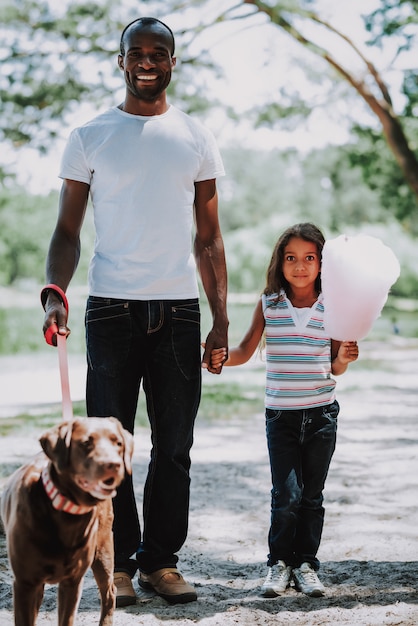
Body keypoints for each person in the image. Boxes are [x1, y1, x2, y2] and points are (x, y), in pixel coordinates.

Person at [41, 17, 229, 607]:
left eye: (159, 52)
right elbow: (67, 231)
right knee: (106, 449)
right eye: (137, 52)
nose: (147, 61)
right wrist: (54, 290)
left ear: (173, 61)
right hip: (110, 312)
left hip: (177, 311)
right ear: (121, 60)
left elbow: (210, 238)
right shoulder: (89, 135)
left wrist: (220, 316)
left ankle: (160, 564)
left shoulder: (196, 136)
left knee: (174, 445)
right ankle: (115, 562)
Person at [211, 223, 358, 597]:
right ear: (280, 262)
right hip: (281, 416)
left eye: (310, 258)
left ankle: (306, 564)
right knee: (286, 494)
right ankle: (279, 564)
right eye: (291, 258)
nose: (300, 266)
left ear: (323, 264)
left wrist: (343, 357)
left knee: (312, 495)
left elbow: (335, 366)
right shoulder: (269, 303)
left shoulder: (334, 306)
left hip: (322, 414)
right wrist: (220, 356)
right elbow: (244, 350)